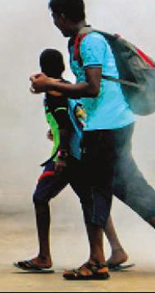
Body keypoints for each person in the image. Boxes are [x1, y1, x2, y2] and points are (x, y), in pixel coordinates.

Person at [29, 0, 155, 280]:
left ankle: (96, 260)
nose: (54, 22)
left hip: (106, 128)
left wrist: (49, 86)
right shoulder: (79, 42)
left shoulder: (90, 42)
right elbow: (91, 92)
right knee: (127, 187)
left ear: (64, 16)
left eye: (55, 16)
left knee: (94, 192)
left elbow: (92, 88)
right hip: (111, 123)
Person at [14, 48, 131, 274]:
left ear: (43, 68)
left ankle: (44, 256)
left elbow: (66, 125)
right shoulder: (68, 87)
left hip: (69, 156)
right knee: (90, 202)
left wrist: (63, 154)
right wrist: (55, 131)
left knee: (40, 198)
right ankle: (116, 249)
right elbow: (69, 119)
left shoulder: (54, 92)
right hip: (82, 153)